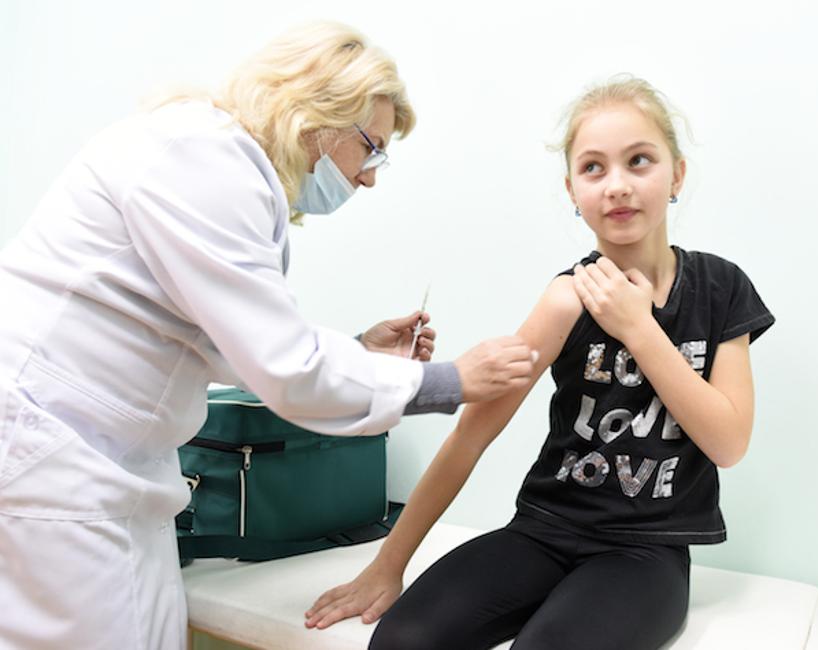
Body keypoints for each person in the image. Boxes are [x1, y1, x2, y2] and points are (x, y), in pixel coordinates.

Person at [0, 21, 537, 650]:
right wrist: (450, 381)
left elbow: (230, 340)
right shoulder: (203, 159)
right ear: (317, 114)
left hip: (104, 465)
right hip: (60, 462)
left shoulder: (211, 160)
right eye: (372, 149)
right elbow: (284, 366)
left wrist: (360, 350)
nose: (369, 178)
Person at [305, 76, 775, 649]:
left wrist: (637, 327)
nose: (617, 186)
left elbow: (728, 443)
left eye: (639, 161)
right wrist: (387, 565)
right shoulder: (564, 300)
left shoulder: (721, 289)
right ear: (573, 191)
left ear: (676, 174)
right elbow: (472, 436)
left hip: (645, 552)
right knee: (403, 642)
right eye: (594, 168)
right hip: (542, 532)